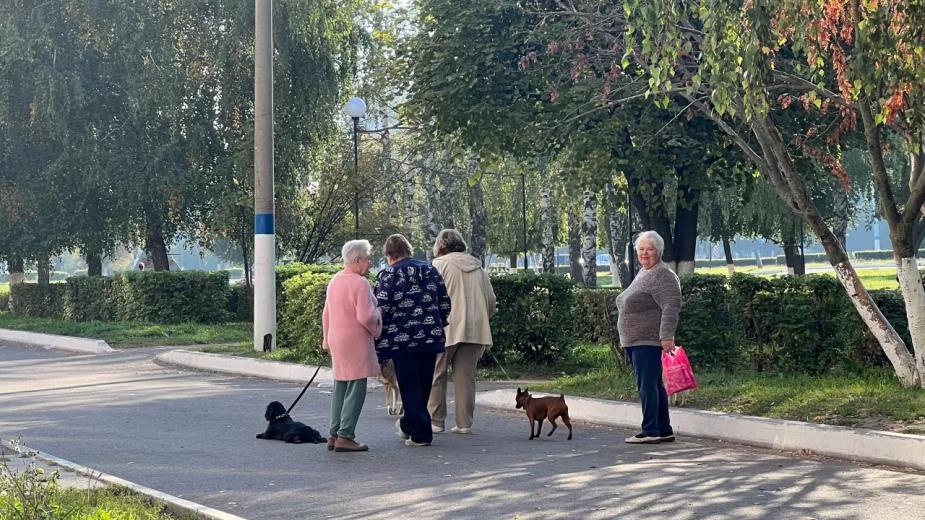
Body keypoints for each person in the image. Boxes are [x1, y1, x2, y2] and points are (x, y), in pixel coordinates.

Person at [374, 234, 451, 447]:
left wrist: (377, 334)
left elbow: (382, 307)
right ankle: (409, 425)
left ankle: (420, 434)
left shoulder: (389, 274)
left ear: (389, 255)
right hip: (430, 335)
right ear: (408, 250)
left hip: (402, 340)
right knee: (424, 383)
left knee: (409, 385)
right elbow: (444, 301)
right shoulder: (429, 269)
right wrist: (438, 322)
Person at [615, 230, 682, 444]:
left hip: (648, 340)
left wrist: (666, 336)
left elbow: (671, 306)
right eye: (641, 249)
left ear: (659, 251)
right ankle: (663, 429)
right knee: (654, 385)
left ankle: (650, 430)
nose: (645, 253)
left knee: (647, 385)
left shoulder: (662, 274)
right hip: (637, 340)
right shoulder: (646, 271)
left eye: (650, 249)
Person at [428, 229, 496, 434]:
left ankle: (436, 421)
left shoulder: (438, 265)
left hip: (446, 327)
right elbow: (491, 300)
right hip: (475, 327)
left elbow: (430, 296)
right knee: (466, 376)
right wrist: (484, 317)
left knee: (436, 374)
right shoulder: (477, 267)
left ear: (440, 245)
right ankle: (464, 423)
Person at [322, 240, 382, 452]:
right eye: (367, 258)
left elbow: (326, 313)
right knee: (356, 387)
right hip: (355, 340)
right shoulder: (360, 283)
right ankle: (346, 436)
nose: (370, 262)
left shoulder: (335, 280)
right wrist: (378, 319)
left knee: (340, 385)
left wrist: (325, 339)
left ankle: (334, 433)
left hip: (336, 338)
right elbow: (365, 316)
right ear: (357, 260)